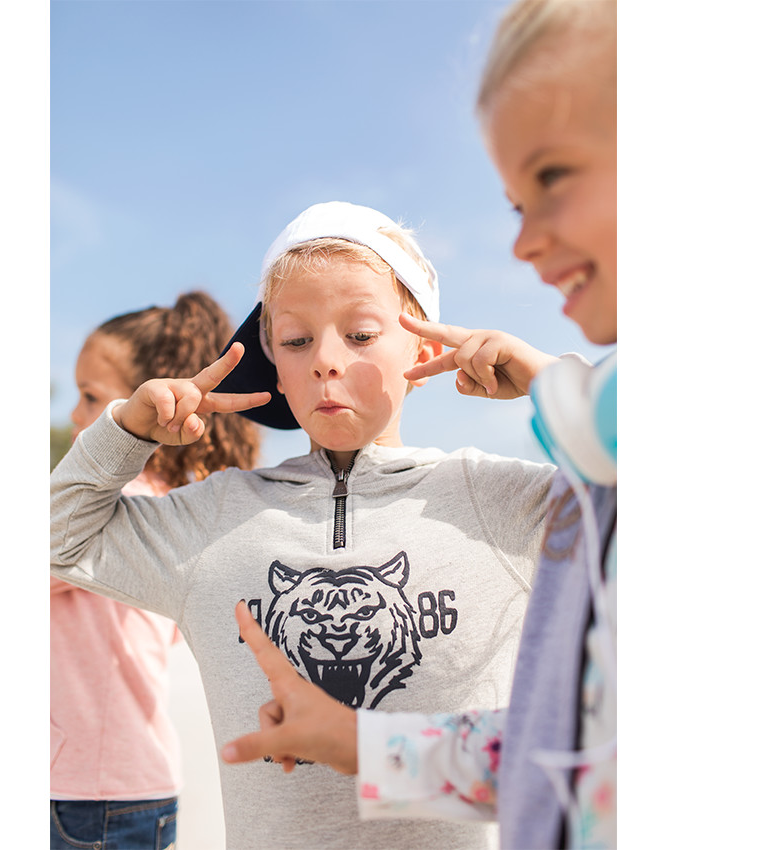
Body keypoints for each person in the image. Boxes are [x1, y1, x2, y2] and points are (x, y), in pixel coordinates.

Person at [220, 1, 617, 848]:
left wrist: (559, 393)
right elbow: (566, 750)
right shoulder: (595, 455)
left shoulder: (524, 489)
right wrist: (356, 744)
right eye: (511, 204)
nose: (521, 245)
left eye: (552, 177)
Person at [51, 199, 562, 849]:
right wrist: (121, 434)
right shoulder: (213, 518)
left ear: (429, 349)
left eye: (361, 333)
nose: (325, 359)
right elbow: (56, 541)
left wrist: (556, 389)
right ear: (275, 360)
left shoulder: (501, 500)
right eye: (296, 340)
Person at [50, 291, 261, 850]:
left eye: (91, 397)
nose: (76, 415)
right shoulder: (163, 500)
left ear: (145, 401)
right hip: (109, 788)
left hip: (92, 798)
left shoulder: (121, 505)